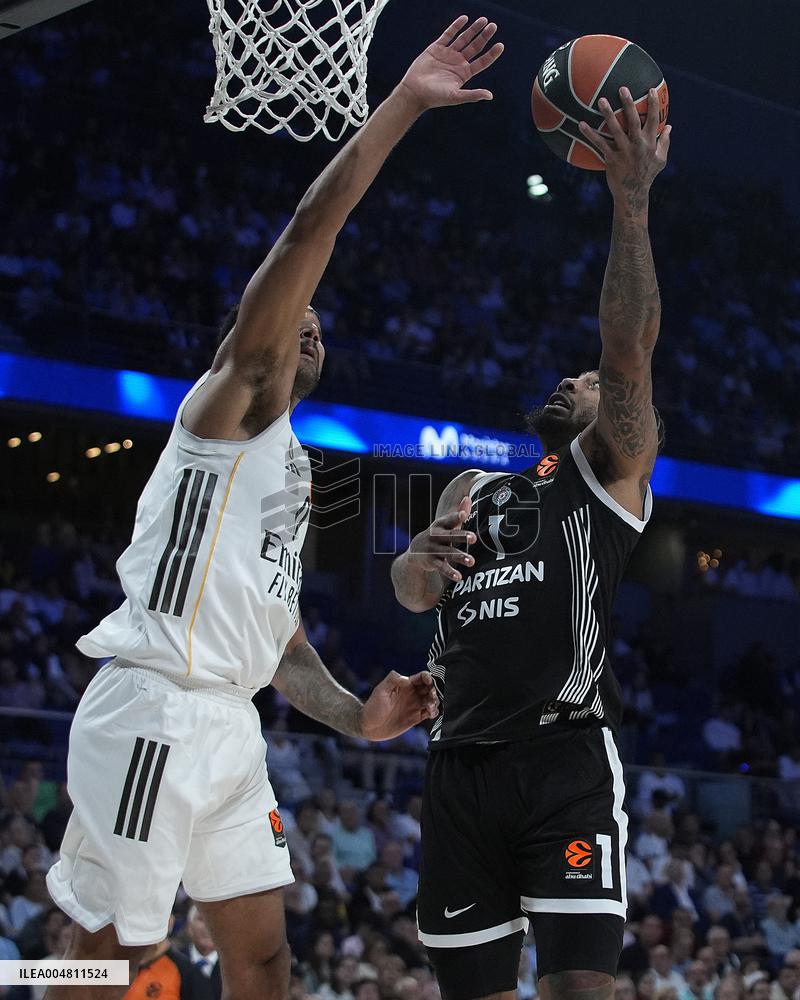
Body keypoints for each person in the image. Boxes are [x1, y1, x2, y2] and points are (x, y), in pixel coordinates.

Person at [44, 17, 504, 1000]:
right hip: (151, 711)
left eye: (319, 330)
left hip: (229, 729)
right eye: (294, 314)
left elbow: (281, 645)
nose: (308, 327)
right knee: (105, 957)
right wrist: (404, 105)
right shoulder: (227, 410)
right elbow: (309, 230)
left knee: (262, 960)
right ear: (252, 330)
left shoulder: (292, 469)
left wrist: (357, 717)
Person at [391, 87, 671, 1000]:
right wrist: (411, 569)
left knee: (578, 993)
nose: (573, 380)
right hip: (460, 764)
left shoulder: (608, 474)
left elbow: (627, 348)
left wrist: (630, 202)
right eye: (570, 377)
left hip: (564, 762)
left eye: (586, 383)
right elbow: (413, 593)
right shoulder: (474, 486)